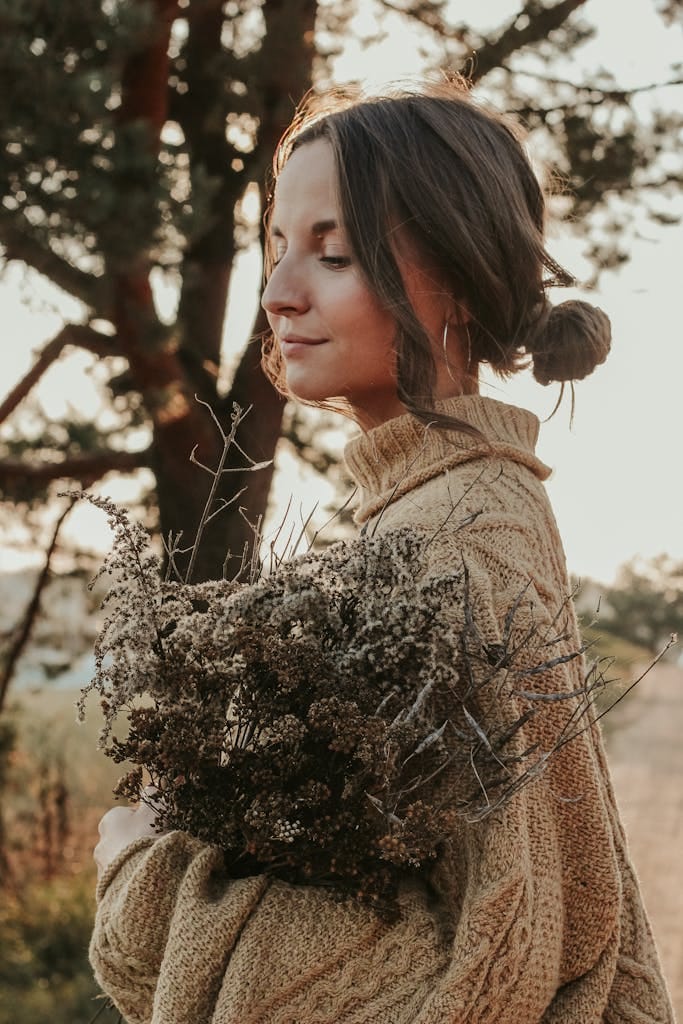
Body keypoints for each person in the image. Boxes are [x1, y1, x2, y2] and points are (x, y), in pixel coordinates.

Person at [91, 79, 675, 1023]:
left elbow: (477, 975)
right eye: (278, 248)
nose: (279, 294)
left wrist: (138, 868)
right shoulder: (448, 505)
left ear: (455, 275)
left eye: (333, 255)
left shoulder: (452, 538)